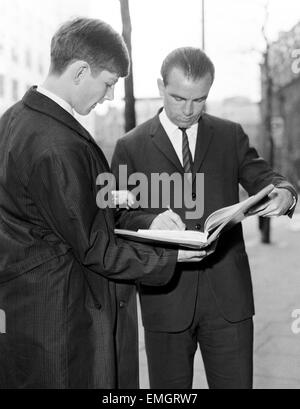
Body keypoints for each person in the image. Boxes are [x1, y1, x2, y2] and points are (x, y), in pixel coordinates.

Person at [0, 21, 204, 389]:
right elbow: (97, 249)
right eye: (108, 83)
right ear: (80, 71)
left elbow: (46, 209)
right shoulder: (56, 143)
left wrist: (120, 205)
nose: (109, 96)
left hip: (26, 309)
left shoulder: (15, 119)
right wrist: (173, 255)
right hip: (62, 319)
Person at [111, 47, 298, 389]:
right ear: (160, 86)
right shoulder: (130, 146)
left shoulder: (230, 135)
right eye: (178, 97)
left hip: (229, 300)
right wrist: (150, 219)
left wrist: (285, 193)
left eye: (199, 100)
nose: (187, 110)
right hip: (165, 299)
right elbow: (117, 214)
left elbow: (265, 177)